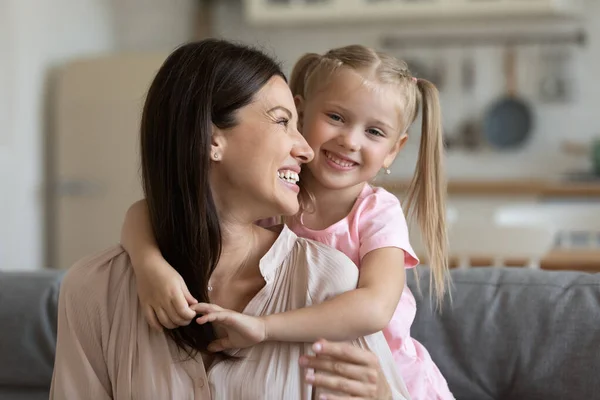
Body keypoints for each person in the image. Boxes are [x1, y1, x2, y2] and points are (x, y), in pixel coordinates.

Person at [50, 39, 410, 400]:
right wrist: (147, 264)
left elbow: (378, 309)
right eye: (283, 121)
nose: (306, 149)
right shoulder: (94, 291)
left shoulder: (329, 282)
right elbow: (149, 212)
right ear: (211, 138)